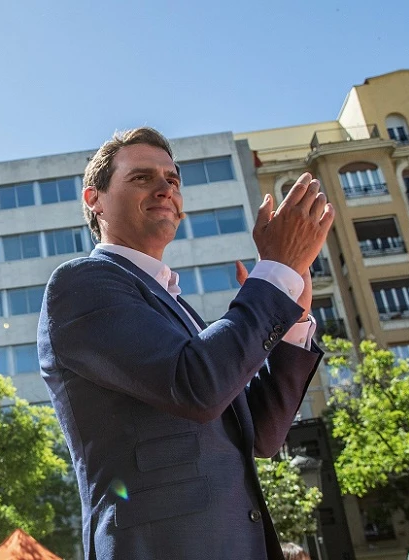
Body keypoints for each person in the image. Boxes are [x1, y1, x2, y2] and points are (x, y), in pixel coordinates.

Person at [38, 127, 333, 559]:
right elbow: (199, 385)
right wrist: (274, 272)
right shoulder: (81, 284)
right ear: (94, 200)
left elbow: (262, 434)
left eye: (172, 180)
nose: (165, 188)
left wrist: (293, 320)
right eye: (141, 177)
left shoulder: (179, 308)